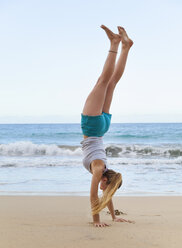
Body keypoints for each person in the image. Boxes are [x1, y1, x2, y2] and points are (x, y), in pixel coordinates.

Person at [80, 25, 134, 227]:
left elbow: (105, 195)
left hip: (102, 128)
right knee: (103, 82)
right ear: (106, 180)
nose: (104, 190)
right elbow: (94, 195)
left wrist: (113, 217)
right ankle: (114, 44)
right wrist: (97, 221)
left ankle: (126, 48)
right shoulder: (99, 169)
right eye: (107, 187)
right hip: (92, 127)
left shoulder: (105, 169)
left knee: (111, 84)